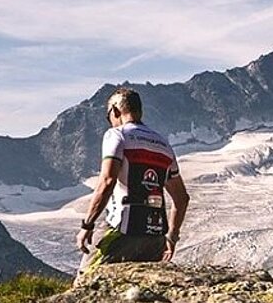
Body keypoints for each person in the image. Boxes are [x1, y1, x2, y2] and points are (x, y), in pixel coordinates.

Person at [75, 88, 190, 275]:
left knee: (86, 280)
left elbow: (107, 181)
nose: (110, 122)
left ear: (115, 111)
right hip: (155, 237)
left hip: (122, 230)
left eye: (108, 117)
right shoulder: (163, 145)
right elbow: (182, 198)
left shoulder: (117, 135)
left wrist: (87, 225)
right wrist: (172, 237)